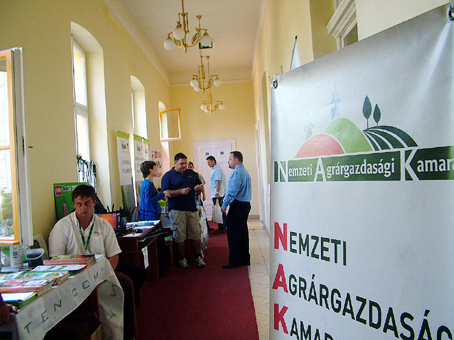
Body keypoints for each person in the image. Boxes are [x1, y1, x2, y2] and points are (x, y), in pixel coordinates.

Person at [49, 184, 146, 340]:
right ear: (74, 204)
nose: (83, 208)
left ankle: (127, 334)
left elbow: (114, 256)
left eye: (87, 203)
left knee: (125, 284)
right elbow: (56, 260)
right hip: (73, 278)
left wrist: (105, 275)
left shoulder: (104, 225)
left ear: (94, 203)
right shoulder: (61, 227)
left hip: (101, 274)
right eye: (79, 204)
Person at [161, 153, 206, 269]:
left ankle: (198, 257)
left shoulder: (191, 174)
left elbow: (199, 187)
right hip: (177, 209)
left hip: (192, 208)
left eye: (186, 163)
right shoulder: (168, 176)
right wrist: (180, 192)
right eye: (181, 163)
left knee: (195, 233)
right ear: (175, 163)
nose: (184, 166)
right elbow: (165, 193)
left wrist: (199, 189)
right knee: (179, 235)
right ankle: (182, 259)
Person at [221, 151, 252, 268]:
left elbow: (232, 191)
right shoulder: (245, 171)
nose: (228, 161)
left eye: (230, 159)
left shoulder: (237, 173)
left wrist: (224, 204)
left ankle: (235, 260)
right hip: (245, 205)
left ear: (236, 160)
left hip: (238, 206)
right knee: (243, 232)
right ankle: (245, 258)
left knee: (234, 234)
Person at [206, 156, 227, 234]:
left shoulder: (217, 170)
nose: (208, 164)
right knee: (220, 209)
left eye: (208, 162)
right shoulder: (216, 169)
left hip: (218, 193)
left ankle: (222, 227)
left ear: (213, 161)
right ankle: (224, 226)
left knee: (219, 210)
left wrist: (217, 192)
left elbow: (218, 181)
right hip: (217, 192)